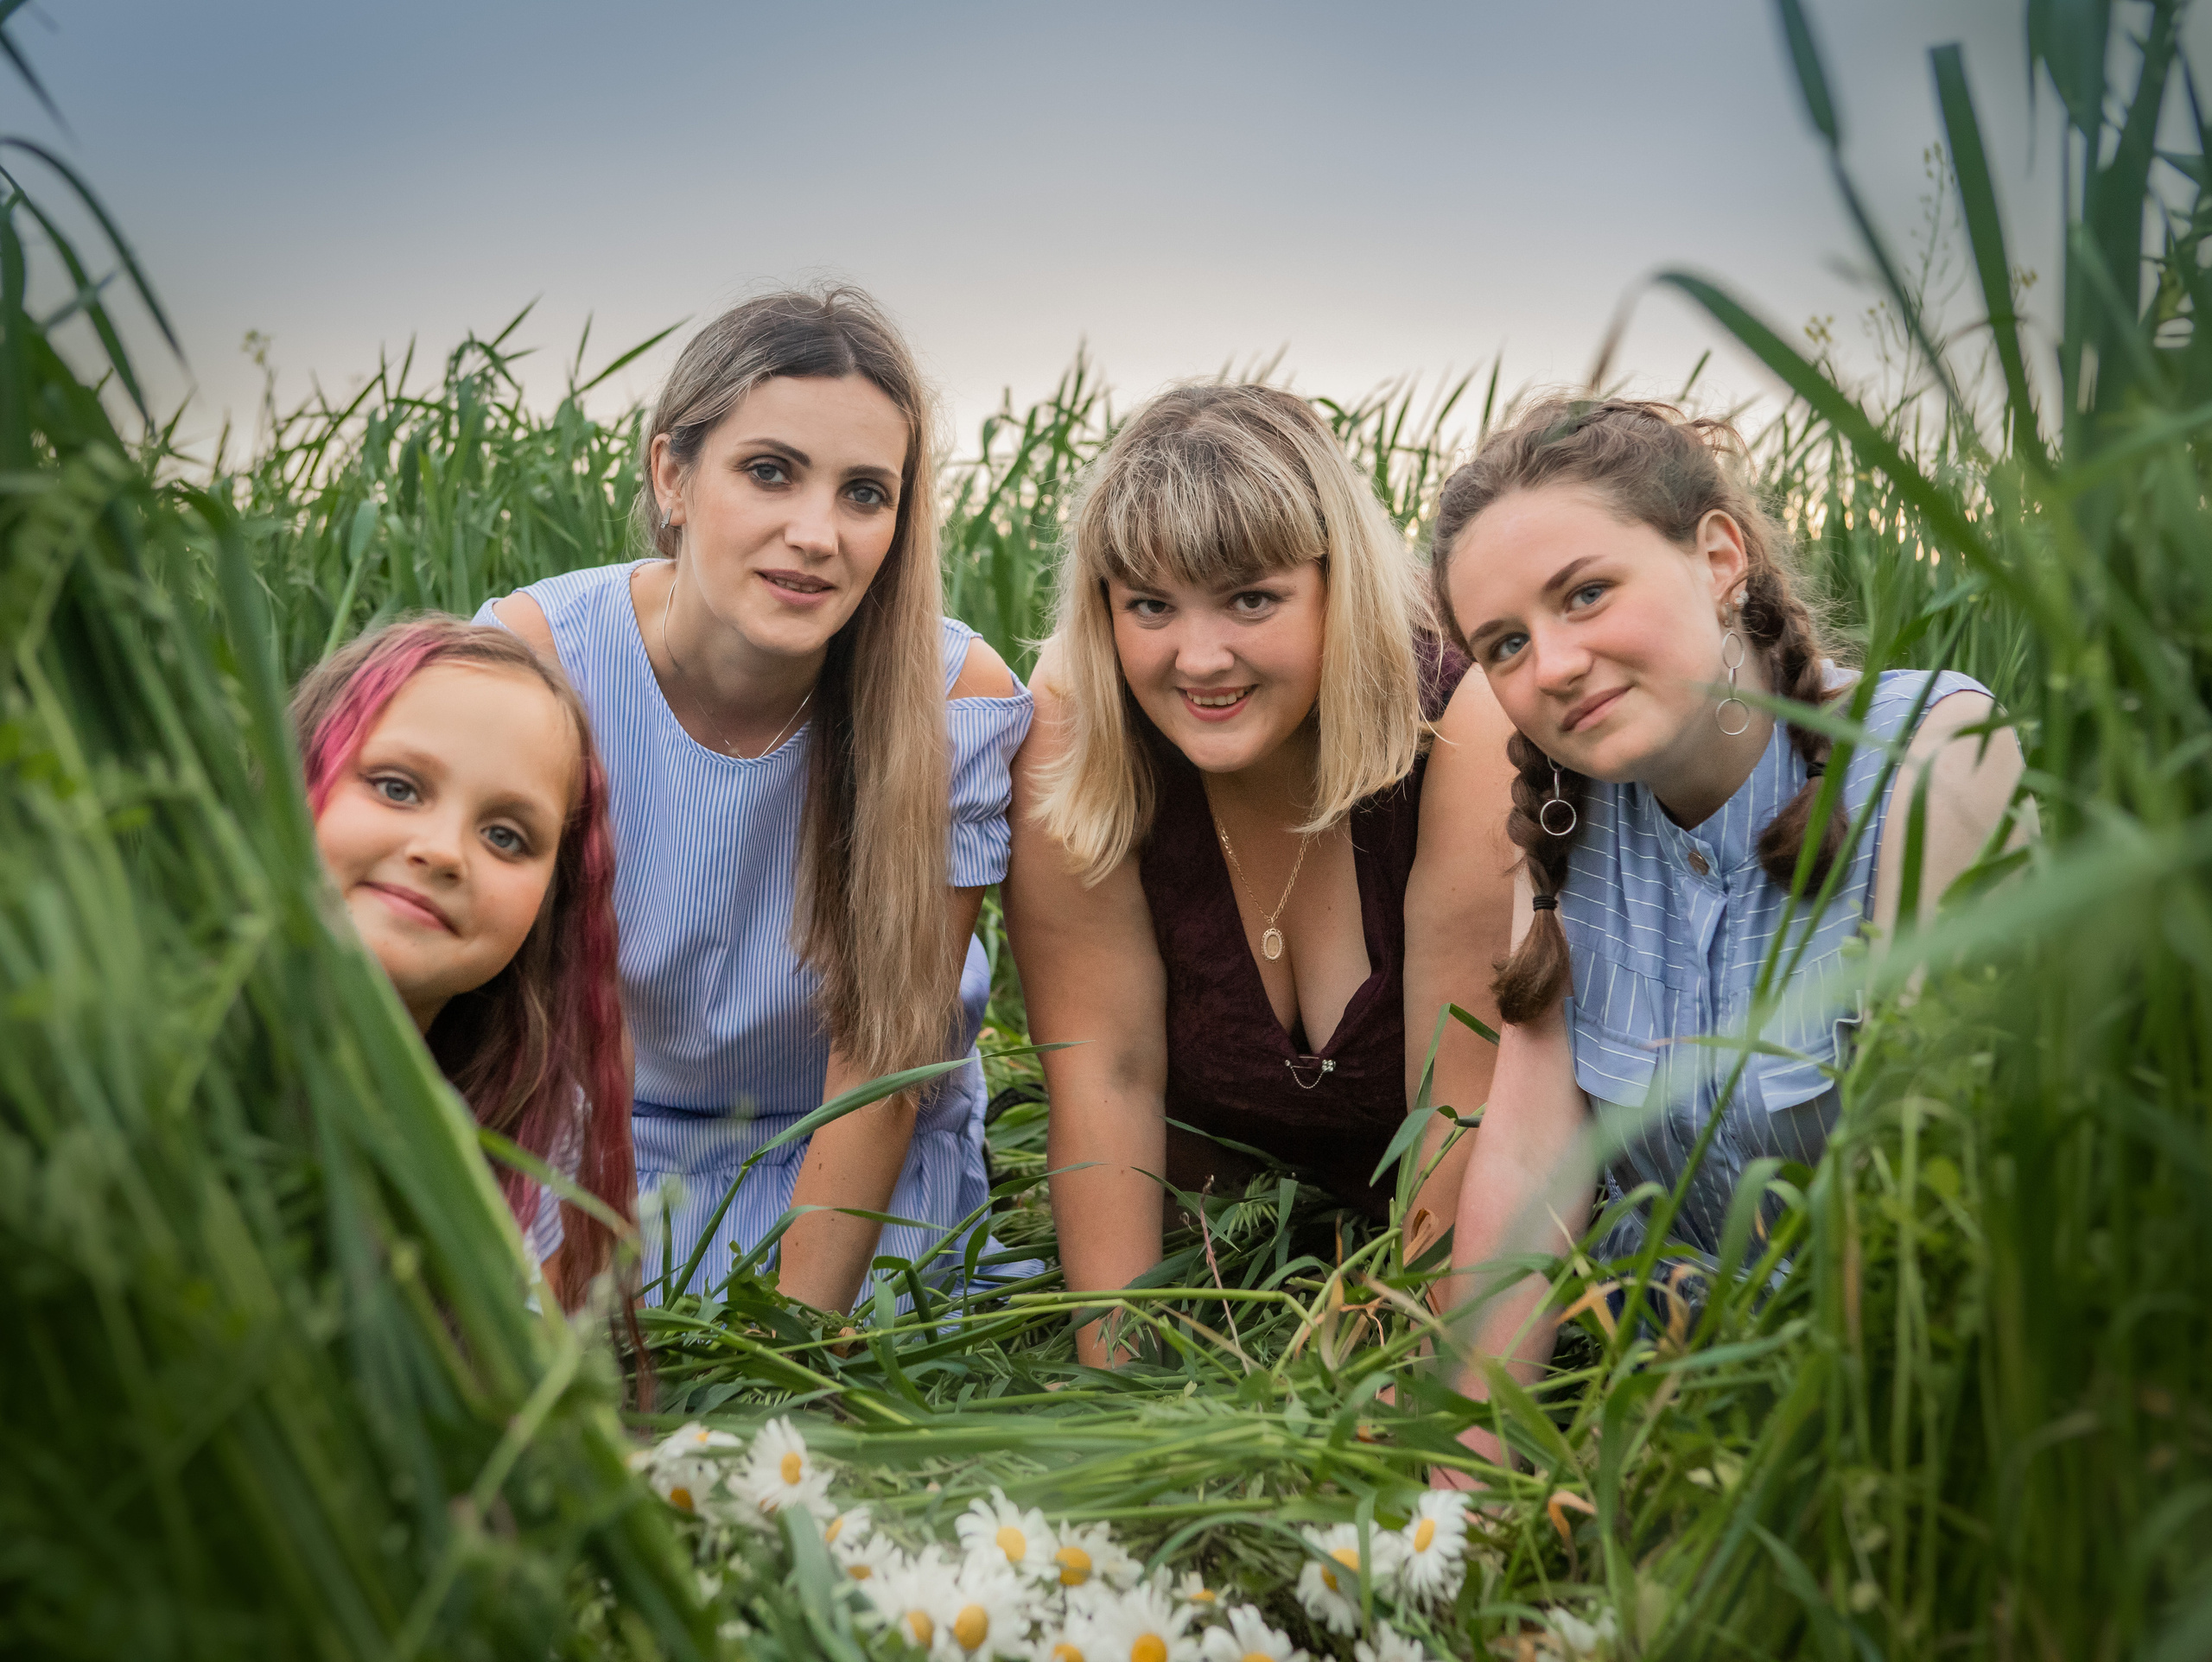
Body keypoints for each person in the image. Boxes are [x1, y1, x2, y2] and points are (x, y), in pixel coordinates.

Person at [1426, 397, 2026, 1449]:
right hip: (1655, 1410)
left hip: (1900, 1420)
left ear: (1716, 556)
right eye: (1506, 643)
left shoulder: (1933, 754)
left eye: (1587, 593)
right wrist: (1463, 1479)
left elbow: (1952, 1199)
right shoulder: (1565, 822)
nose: (1553, 665)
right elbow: (1527, 1167)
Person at [478, 287, 1030, 1311]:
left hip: (851, 1153)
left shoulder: (950, 695)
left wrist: (792, 1352)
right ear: (673, 474)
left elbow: (887, 1061)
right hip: (591, 1137)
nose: (816, 533)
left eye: (865, 493)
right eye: (769, 472)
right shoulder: (542, 659)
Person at [1005, 384, 1520, 1367]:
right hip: (1231, 1256)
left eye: (1252, 598)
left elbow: (1467, 1103)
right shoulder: (1079, 724)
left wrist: (1412, 1374)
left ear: (1338, 585)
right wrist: (1112, 1375)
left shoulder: (1460, 721)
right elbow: (1104, 1070)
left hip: (1451, 1243)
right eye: (1150, 605)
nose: (1200, 657)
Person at [293, 614, 635, 1311]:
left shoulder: (521, 1124)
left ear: (550, 905)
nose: (444, 851)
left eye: (507, 837)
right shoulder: (169, 1072)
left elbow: (535, 1393)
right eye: (396, 787)